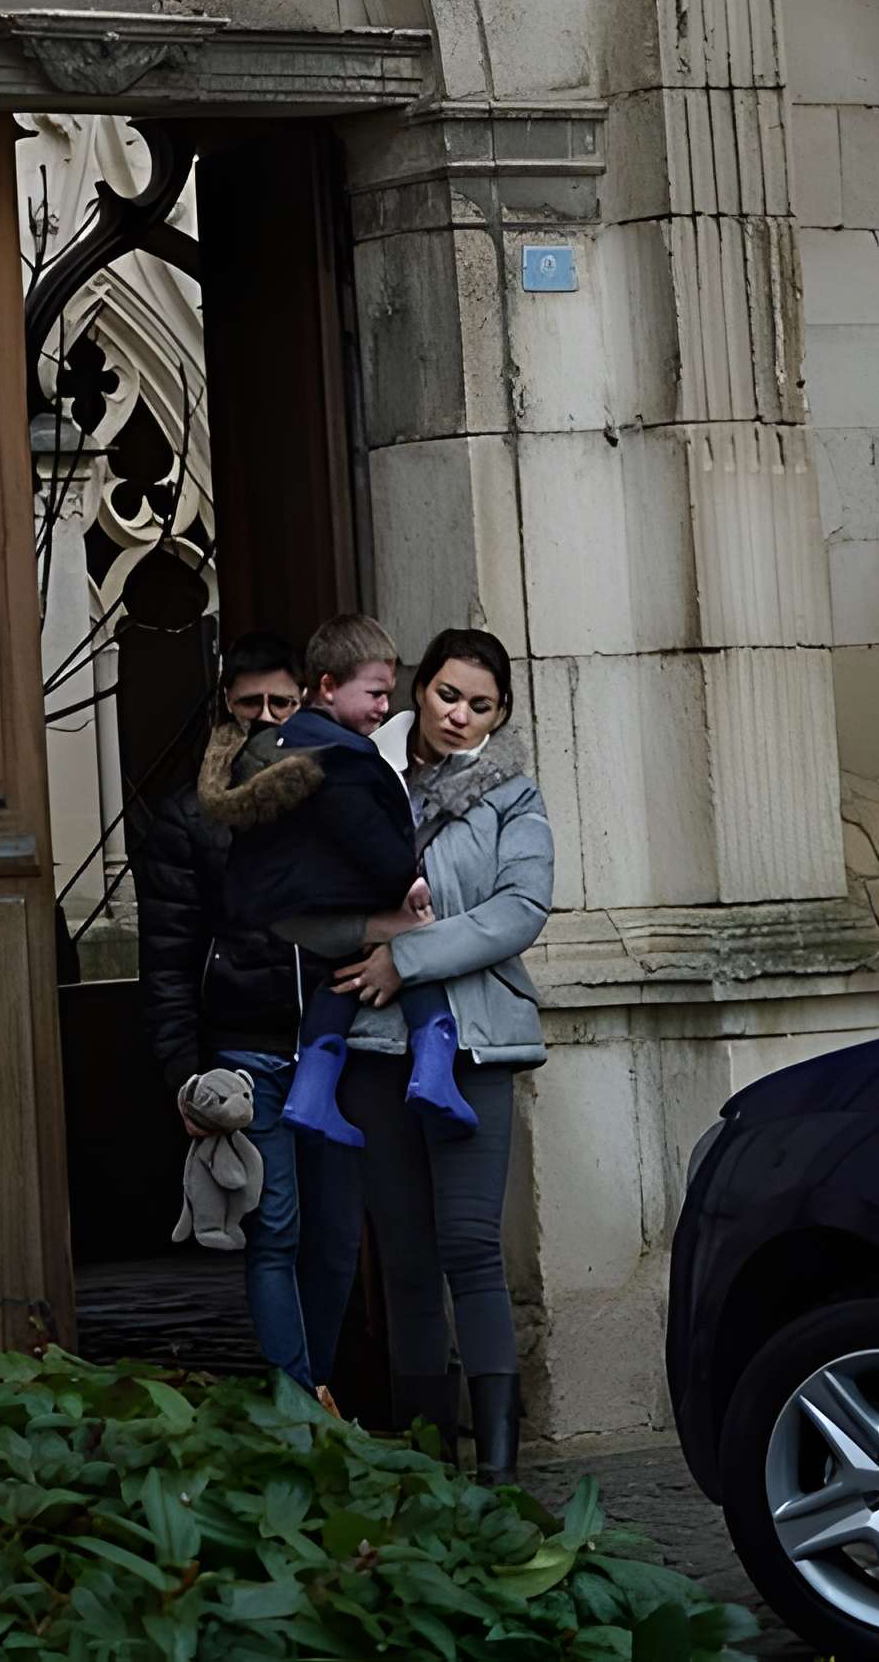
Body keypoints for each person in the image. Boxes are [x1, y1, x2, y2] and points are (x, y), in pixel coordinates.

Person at [294, 626, 553, 1482]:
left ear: (501, 712)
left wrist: (405, 957)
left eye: (481, 705)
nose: (460, 715)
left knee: (472, 1246)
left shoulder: (514, 796)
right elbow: (309, 892)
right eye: (448, 695)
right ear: (418, 690)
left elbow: (520, 910)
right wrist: (371, 941)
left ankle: (501, 1466)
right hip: (373, 1046)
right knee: (403, 1256)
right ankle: (428, 1460)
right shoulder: (361, 776)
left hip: (478, 1043)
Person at [196, 615, 474, 1145]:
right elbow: (379, 851)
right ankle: (435, 1062)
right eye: (374, 693)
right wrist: (406, 882)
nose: (383, 708)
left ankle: (313, 1092)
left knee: (345, 973)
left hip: (287, 916)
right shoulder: (345, 759)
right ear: (326, 686)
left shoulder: (273, 748)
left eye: (388, 694)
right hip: (331, 909)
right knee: (415, 933)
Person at [130, 632, 316, 1389]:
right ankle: (298, 1410)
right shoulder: (188, 818)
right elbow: (168, 957)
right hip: (245, 1051)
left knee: (336, 1239)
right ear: (225, 710)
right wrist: (184, 1073)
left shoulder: (336, 795)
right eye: (250, 704)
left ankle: (330, 1391)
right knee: (274, 1231)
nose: (266, 717)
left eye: (282, 701)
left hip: (339, 1038)